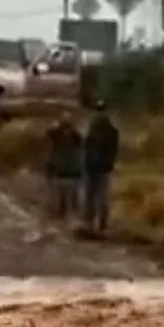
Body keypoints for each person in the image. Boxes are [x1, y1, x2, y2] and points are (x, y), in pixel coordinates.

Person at [82, 101, 119, 237]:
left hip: (92, 166)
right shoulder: (112, 130)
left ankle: (89, 222)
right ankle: (102, 224)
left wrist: (85, 163)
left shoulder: (92, 127)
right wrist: (111, 163)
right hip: (104, 167)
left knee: (90, 196)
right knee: (103, 196)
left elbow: (86, 146)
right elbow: (114, 150)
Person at [45, 109, 83, 223]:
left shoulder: (58, 133)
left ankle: (63, 213)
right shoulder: (74, 134)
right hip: (68, 169)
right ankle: (67, 213)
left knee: (61, 193)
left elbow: (49, 133)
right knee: (68, 193)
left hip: (61, 168)